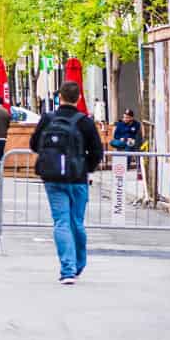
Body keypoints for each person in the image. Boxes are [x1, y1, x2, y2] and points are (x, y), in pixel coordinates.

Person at [29, 81, 105, 285]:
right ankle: (79, 265)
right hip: (78, 179)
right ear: (78, 98)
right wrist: (85, 167)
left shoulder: (47, 118)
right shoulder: (85, 122)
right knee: (76, 222)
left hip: (52, 179)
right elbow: (98, 152)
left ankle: (67, 270)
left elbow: (34, 145)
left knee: (61, 222)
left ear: (59, 97)